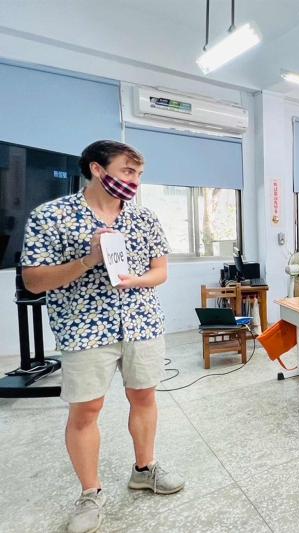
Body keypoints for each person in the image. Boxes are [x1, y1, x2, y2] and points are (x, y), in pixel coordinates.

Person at [20, 140, 184, 533]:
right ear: (97, 169)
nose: (135, 181)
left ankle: (145, 468)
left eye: (139, 174)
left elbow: (160, 271)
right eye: (128, 171)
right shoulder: (52, 216)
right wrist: (89, 260)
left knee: (144, 396)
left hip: (141, 321)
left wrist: (136, 280)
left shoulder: (144, 218)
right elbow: (34, 280)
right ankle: (90, 493)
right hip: (84, 327)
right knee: (86, 410)